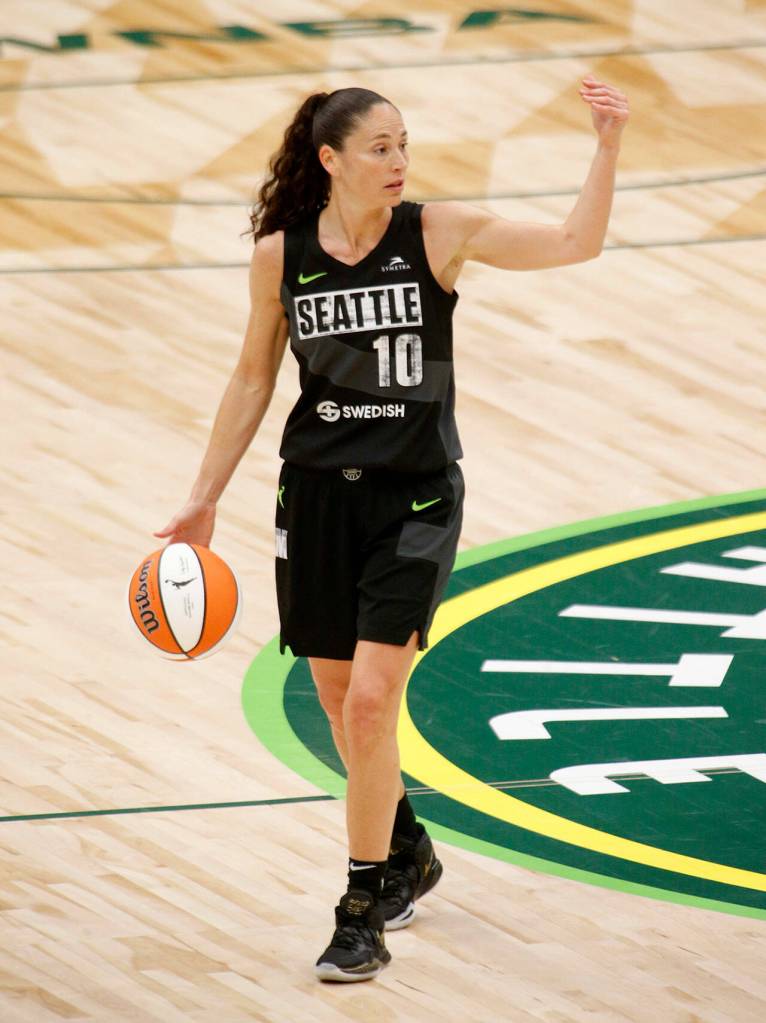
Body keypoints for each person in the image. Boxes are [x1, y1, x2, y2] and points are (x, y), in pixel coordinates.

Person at [154, 77, 629, 982]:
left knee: (373, 703)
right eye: (379, 147)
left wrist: (604, 145)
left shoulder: (437, 233)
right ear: (330, 159)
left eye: (403, 144)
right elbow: (254, 379)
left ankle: (361, 905)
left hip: (414, 498)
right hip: (317, 498)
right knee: (340, 704)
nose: (399, 161)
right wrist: (204, 494)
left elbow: (577, 243)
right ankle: (407, 843)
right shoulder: (281, 255)